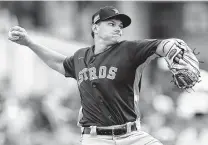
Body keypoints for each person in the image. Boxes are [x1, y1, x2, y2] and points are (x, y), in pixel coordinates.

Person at [8, 6, 188, 145]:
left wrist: (171, 48)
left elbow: (161, 45)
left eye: (120, 25)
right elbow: (58, 63)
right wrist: (29, 43)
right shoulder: (80, 57)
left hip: (132, 136)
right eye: (112, 24)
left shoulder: (129, 49)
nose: (119, 29)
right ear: (95, 27)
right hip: (95, 139)